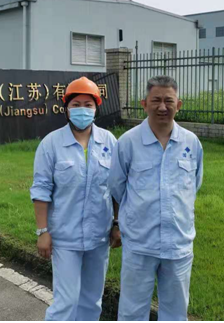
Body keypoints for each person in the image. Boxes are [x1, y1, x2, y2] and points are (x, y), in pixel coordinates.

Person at [109, 75, 203, 321]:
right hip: (140, 243)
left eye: (169, 101)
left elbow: (193, 185)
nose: (163, 107)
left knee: (175, 312)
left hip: (178, 244)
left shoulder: (191, 143)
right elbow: (117, 187)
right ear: (144, 104)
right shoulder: (128, 143)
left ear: (178, 104)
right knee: (132, 311)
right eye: (156, 100)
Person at [30, 76, 120, 321]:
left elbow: (116, 189)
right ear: (67, 109)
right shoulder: (51, 144)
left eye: (88, 105)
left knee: (92, 301)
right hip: (64, 237)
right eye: (76, 104)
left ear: (96, 108)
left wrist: (117, 224)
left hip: (99, 236)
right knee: (66, 302)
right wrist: (43, 231)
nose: (82, 110)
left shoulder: (109, 142)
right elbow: (41, 190)